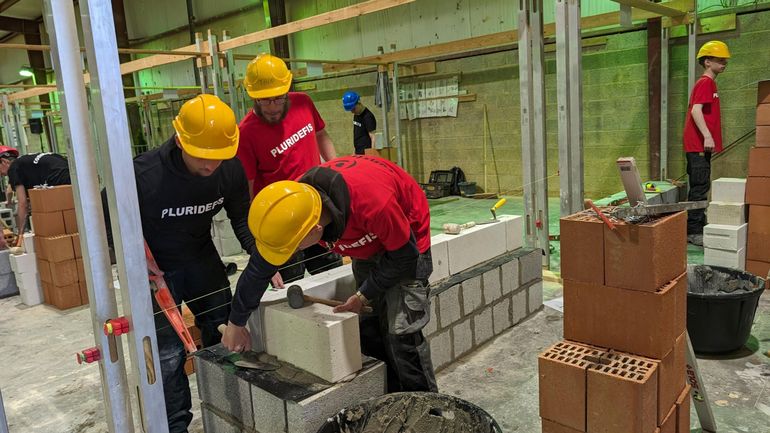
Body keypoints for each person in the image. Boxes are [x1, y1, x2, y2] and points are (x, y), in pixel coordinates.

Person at [222, 154, 438, 393]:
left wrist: (363, 294)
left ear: (316, 230)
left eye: (295, 246)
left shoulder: (373, 204)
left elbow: (404, 258)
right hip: (367, 238)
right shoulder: (294, 207)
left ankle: (428, 409)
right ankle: (394, 399)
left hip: (406, 240)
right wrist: (235, 323)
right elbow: (258, 270)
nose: (292, 253)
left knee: (402, 336)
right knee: (371, 329)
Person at [104, 94, 255, 433]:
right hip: (157, 273)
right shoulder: (143, 175)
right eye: (203, 156)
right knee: (168, 358)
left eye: (219, 157)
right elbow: (108, 215)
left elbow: (241, 218)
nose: (211, 166)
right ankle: (176, 427)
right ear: (179, 140)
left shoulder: (228, 167)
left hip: (202, 260)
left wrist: (262, 259)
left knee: (227, 337)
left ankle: (231, 416)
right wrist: (135, 262)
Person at [237, 53, 341, 286]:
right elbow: (249, 193)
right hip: (281, 222)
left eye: (278, 99)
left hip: (318, 209)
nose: (272, 107)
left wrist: (337, 169)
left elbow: (321, 134)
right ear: (253, 97)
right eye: (265, 101)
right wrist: (261, 251)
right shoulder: (246, 133)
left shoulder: (303, 102)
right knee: (290, 284)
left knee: (332, 274)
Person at [683, 40, 730, 246]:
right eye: (720, 60)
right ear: (707, 61)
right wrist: (707, 136)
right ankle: (693, 231)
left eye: (725, 60)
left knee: (700, 185)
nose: (724, 63)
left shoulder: (710, 83)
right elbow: (695, 110)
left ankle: (697, 224)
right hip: (699, 145)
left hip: (700, 146)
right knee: (700, 187)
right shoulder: (705, 82)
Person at [0, 148, 71, 239]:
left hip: (58, 177)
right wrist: (9, 201)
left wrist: (20, 234)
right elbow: (10, 189)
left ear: (4, 161)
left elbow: (22, 204)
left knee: (58, 226)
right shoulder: (24, 162)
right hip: (70, 171)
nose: (1, 174)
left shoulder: (13, 168)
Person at [342, 90, 377, 155]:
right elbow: (358, 135)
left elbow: (373, 137)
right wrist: (354, 152)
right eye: (351, 110)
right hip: (358, 153)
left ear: (359, 102)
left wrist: (372, 155)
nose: (352, 112)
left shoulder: (368, 117)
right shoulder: (356, 114)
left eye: (353, 109)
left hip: (366, 153)